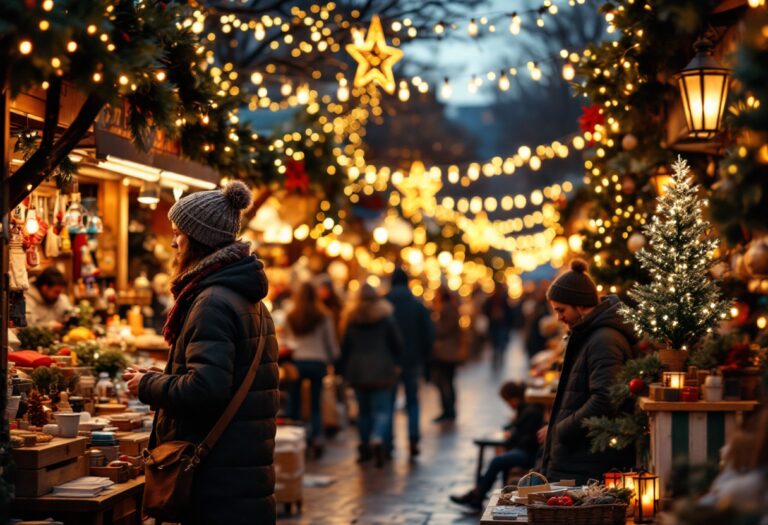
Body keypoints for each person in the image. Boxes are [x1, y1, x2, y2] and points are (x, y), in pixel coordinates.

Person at [123, 181, 279, 525]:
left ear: (198, 239)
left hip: (217, 481)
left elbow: (206, 389)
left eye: (178, 232)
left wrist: (147, 385)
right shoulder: (244, 298)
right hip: (239, 474)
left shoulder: (212, 302)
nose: (173, 241)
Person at [536, 259, 635, 485]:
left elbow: (605, 398)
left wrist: (561, 430)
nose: (559, 317)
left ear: (580, 305)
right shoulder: (589, 334)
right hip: (578, 456)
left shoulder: (604, 340)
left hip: (586, 460)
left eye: (561, 310)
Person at [450, 381, 545, 510]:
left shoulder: (530, 411)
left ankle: (477, 495)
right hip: (525, 450)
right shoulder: (525, 409)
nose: (508, 405)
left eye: (508, 401)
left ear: (514, 397)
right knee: (498, 460)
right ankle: (476, 494)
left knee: (498, 460)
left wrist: (511, 437)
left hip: (530, 454)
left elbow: (527, 441)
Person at [338, 284, 403, 467]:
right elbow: (397, 344)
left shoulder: (351, 318)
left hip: (358, 372)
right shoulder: (386, 317)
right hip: (382, 370)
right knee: (382, 411)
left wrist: (343, 370)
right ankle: (378, 438)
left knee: (363, 412)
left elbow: (345, 348)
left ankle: (365, 446)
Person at [284, 281, 340, 457]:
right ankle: (316, 437)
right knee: (316, 404)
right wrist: (333, 359)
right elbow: (330, 343)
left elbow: (287, 341)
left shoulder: (291, 315)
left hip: (297, 362)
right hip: (317, 362)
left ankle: (297, 440)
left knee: (295, 403)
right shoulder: (324, 315)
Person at [385, 266, 434, 459]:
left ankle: (388, 442)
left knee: (389, 401)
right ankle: (413, 438)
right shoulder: (417, 304)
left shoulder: (385, 303)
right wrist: (424, 355)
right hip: (413, 360)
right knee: (412, 401)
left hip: (390, 361)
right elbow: (429, 333)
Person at [431, 286, 463, 423]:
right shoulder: (449, 308)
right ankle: (449, 409)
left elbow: (444, 329)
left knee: (445, 381)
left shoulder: (447, 309)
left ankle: (449, 410)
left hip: (446, 352)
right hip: (449, 351)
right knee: (447, 381)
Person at [484, 284, 516, 369]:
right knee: (495, 344)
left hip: (502, 325)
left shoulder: (504, 300)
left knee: (501, 344)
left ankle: (500, 358)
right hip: (494, 325)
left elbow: (510, 313)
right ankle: (495, 358)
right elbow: (485, 310)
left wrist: (503, 315)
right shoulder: (490, 300)